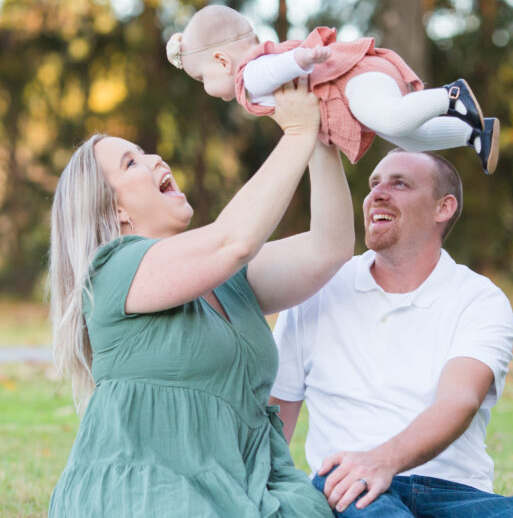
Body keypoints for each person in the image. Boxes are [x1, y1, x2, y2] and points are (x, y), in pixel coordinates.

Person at [47, 81, 354, 516]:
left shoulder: (229, 280)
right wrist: (296, 134)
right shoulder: (112, 270)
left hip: (240, 486)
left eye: (144, 151)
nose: (155, 158)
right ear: (115, 209)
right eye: (131, 162)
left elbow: (330, 247)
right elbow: (234, 239)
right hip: (147, 491)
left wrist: (321, 135)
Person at [269, 149, 513, 517]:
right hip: (353, 490)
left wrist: (383, 461)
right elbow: (274, 417)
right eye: (374, 184)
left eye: (400, 183)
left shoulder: (478, 299)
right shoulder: (317, 289)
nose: (377, 194)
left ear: (442, 208)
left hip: (455, 495)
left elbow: (459, 401)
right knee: (356, 495)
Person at [166, 5, 499, 172]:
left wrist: (302, 58)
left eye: (201, 79)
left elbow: (275, 68)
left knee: (393, 121)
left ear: (223, 62)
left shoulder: (249, 76)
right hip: (357, 85)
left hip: (353, 79)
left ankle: (451, 96)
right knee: (408, 138)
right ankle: (474, 135)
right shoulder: (256, 71)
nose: (205, 88)